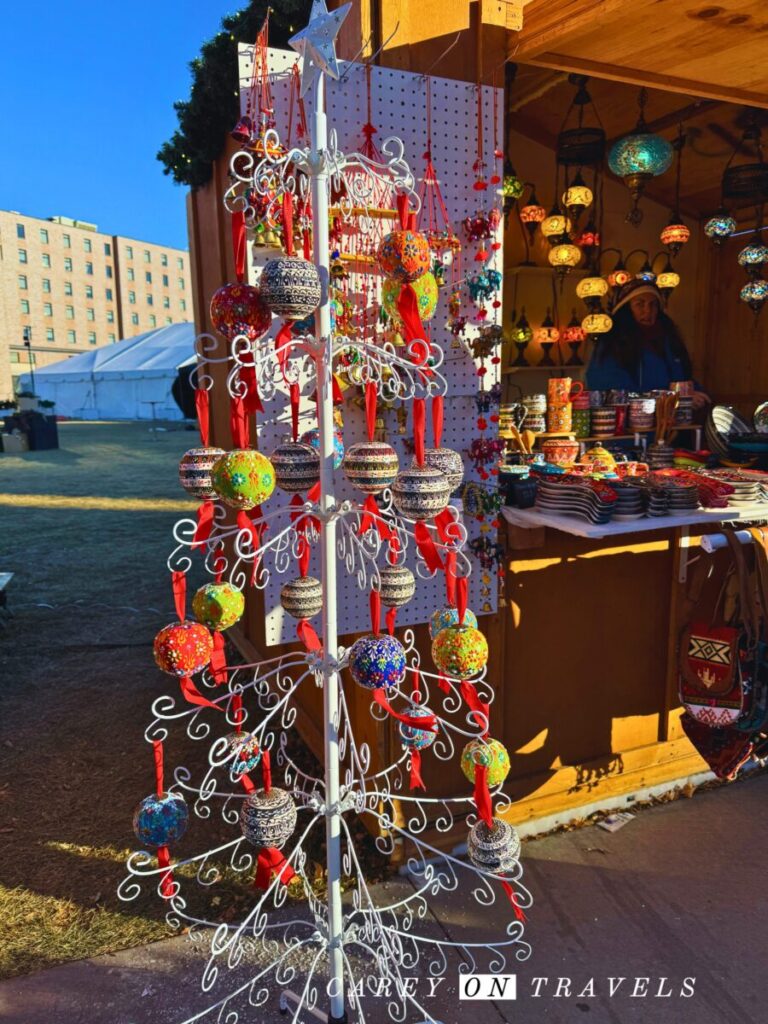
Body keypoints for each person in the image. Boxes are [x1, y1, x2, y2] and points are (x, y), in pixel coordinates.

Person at [586, 280, 710, 409]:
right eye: (640, 304)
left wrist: (696, 393)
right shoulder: (611, 344)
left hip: (670, 422)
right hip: (629, 423)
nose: (647, 311)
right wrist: (670, 399)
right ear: (627, 309)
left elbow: (682, 378)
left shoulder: (669, 340)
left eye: (653, 305)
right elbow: (611, 389)